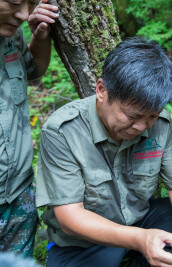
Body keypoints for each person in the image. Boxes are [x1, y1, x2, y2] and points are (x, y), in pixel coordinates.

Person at [35, 38, 172, 267]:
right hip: (84, 243)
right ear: (102, 90)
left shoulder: (161, 126)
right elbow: (70, 218)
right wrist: (139, 240)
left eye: (151, 116)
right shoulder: (62, 132)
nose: (142, 127)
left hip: (141, 221)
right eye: (132, 116)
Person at [0, 0, 58, 256]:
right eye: (13, 2)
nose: (25, 14)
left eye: (30, 2)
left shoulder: (11, 35)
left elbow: (33, 68)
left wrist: (39, 36)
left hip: (17, 194)